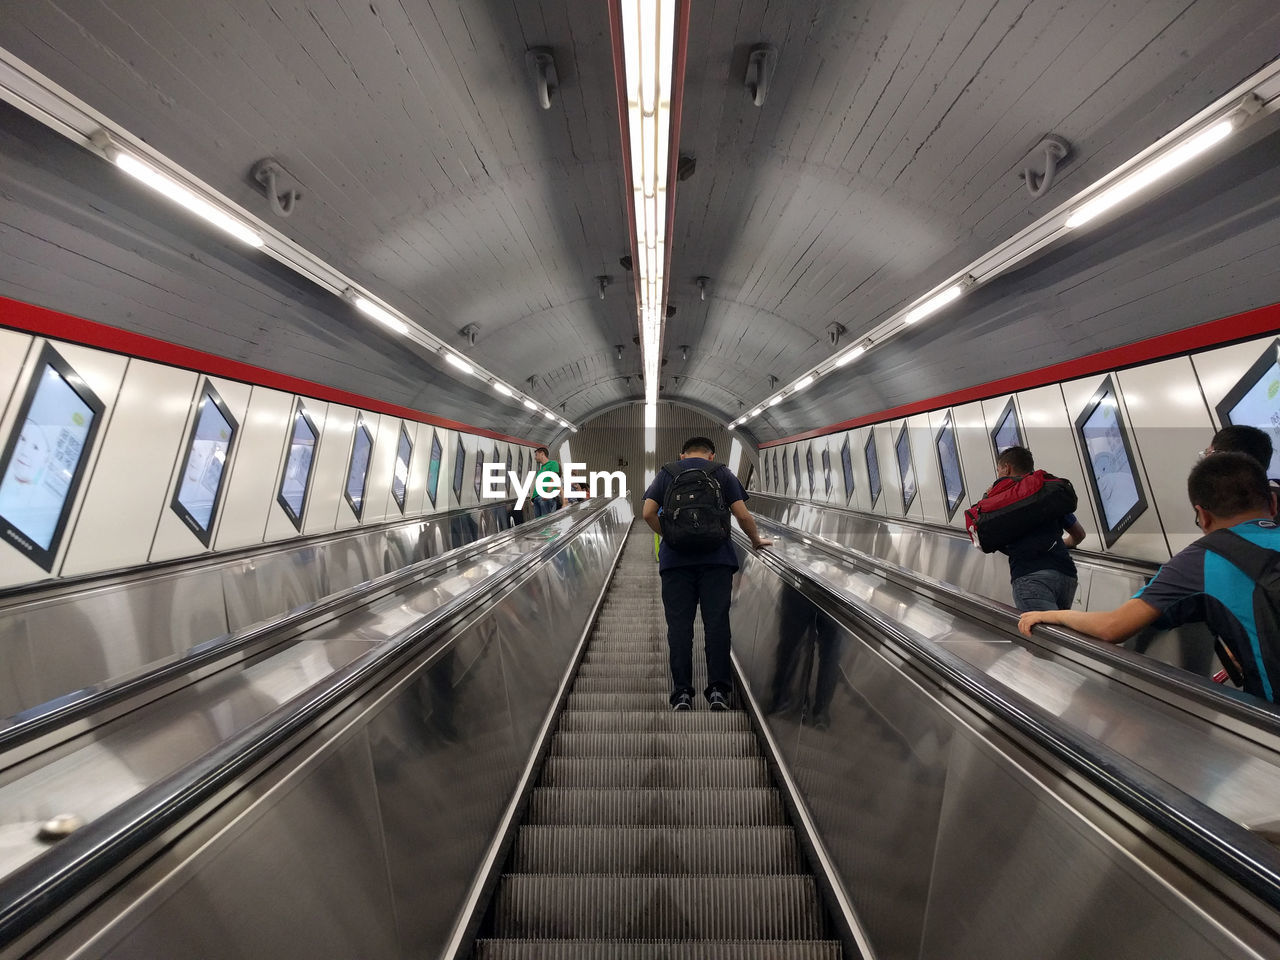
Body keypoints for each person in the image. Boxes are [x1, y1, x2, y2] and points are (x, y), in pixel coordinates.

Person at [1019, 452, 1280, 703]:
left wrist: (1050, 615)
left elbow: (1112, 627)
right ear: (1273, 502)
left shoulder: (1200, 560)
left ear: (1203, 515)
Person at [642, 436, 772, 711]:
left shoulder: (667, 473)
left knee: (679, 628)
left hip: (676, 563)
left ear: (682, 454)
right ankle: (718, 692)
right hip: (717, 560)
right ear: (712, 455)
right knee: (716, 625)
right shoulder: (721, 472)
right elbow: (743, 515)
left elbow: (647, 513)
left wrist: (671, 536)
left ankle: (681, 695)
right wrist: (755, 540)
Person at [987, 445, 1086, 612]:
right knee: (1060, 635)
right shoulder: (1048, 492)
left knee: (1041, 637)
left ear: (1007, 468)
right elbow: (1079, 534)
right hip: (1066, 574)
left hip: (1031, 577)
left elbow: (987, 537)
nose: (998, 475)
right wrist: (1063, 543)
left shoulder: (1002, 500)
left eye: (998, 470)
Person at [531, 446, 563, 517]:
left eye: (536, 455)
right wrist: (532, 499)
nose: (535, 457)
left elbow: (554, 478)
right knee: (538, 523)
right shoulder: (540, 470)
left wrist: (547, 493)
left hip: (546, 498)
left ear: (542, 453)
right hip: (537, 498)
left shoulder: (553, 463)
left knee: (546, 523)